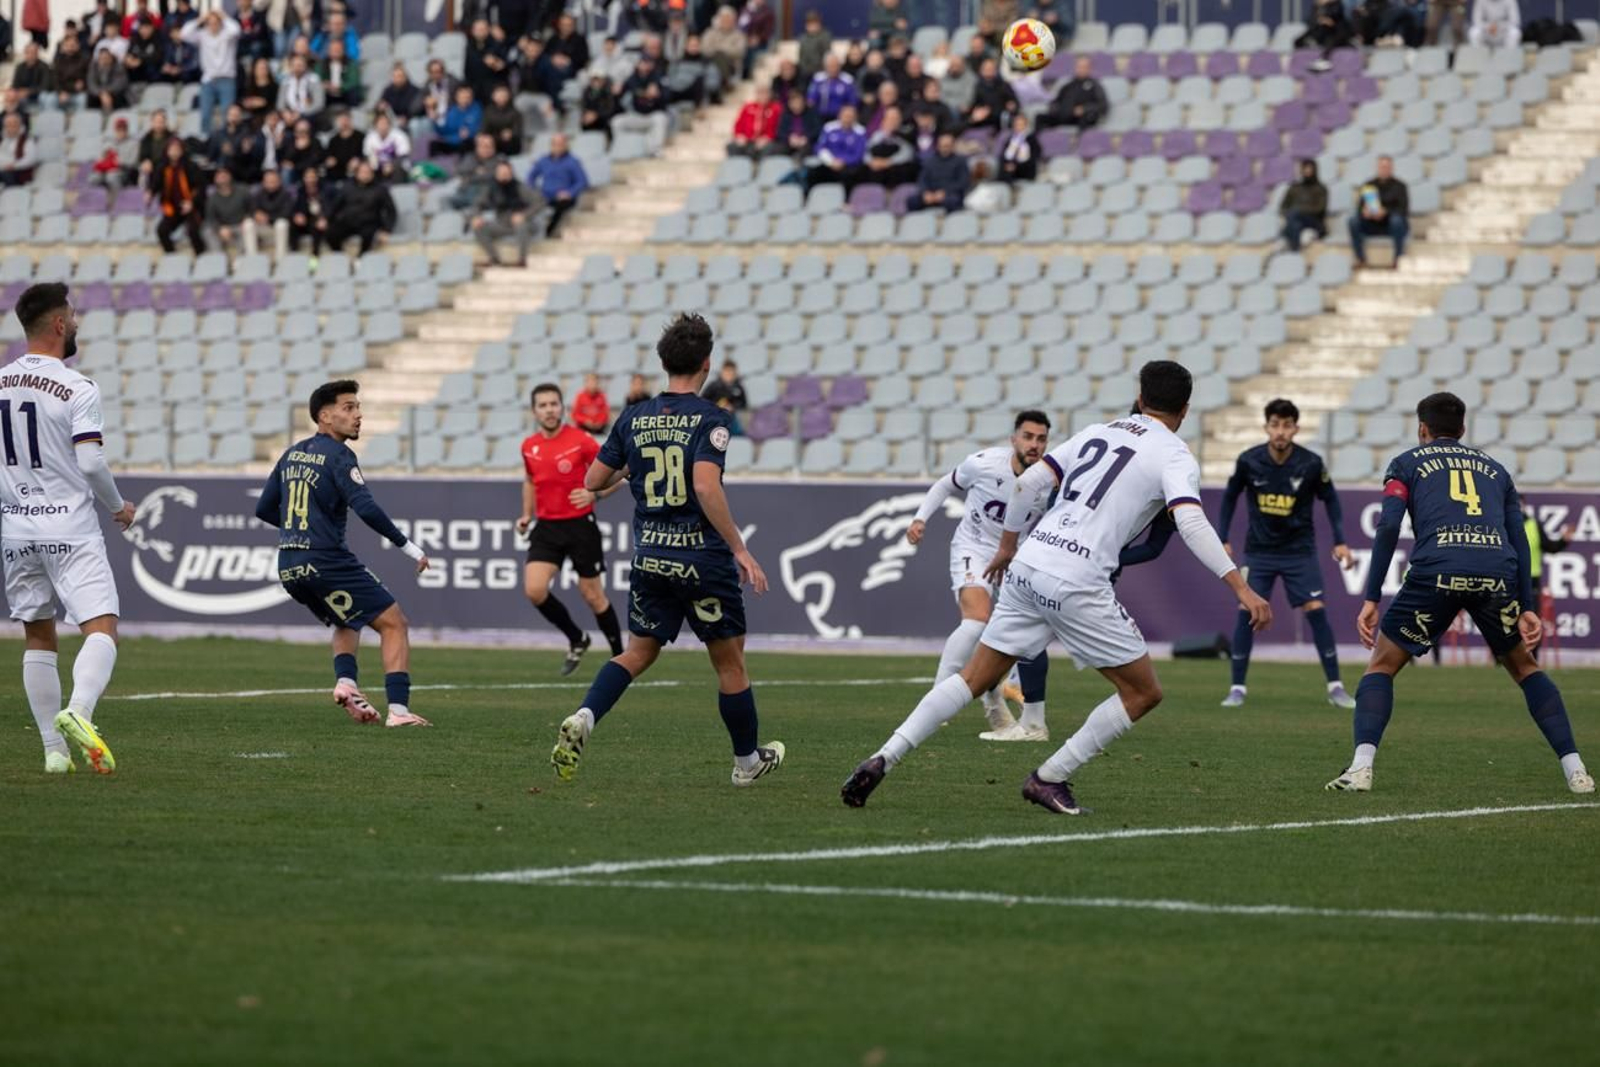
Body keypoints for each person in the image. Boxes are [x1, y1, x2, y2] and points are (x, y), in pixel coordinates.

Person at [843, 362, 1272, 813]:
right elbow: (1190, 521)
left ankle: (884, 756)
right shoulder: (1175, 454)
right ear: (1185, 410)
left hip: (1031, 561)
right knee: (1143, 693)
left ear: (1140, 399)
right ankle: (1049, 777)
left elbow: (1028, 482)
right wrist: (1240, 588)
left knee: (973, 677)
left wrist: (1007, 546)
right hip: (1079, 578)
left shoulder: (1096, 432)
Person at [549, 313, 785, 787]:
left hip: (650, 556)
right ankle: (746, 763)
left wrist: (630, 466)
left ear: (662, 363)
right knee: (729, 661)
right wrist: (739, 548)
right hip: (702, 558)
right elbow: (705, 485)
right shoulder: (712, 418)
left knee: (638, 652)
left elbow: (592, 480)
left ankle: (585, 715)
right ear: (706, 363)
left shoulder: (633, 417)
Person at [1327, 391, 1593, 796]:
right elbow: (1519, 538)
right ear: (1463, 429)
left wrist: (1371, 597)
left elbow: (1389, 526)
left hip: (1438, 570)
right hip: (1495, 575)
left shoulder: (1406, 464)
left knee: (1381, 666)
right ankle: (1577, 772)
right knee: (1526, 669)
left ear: (1422, 428)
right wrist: (1525, 605)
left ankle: (1361, 768)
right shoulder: (1497, 470)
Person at [3, 283, 137, 775]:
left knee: (38, 635)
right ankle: (79, 712)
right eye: (73, 315)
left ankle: (54, 753)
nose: (77, 322)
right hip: (70, 528)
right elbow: (91, 461)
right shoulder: (77, 386)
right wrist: (118, 506)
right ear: (59, 324)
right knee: (102, 627)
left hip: (17, 530)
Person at [255, 380, 432, 729]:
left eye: (358, 407)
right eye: (348, 407)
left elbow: (263, 508)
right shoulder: (340, 456)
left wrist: (301, 528)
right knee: (394, 623)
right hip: (325, 558)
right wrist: (409, 547)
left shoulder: (291, 454)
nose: (358, 415)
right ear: (325, 416)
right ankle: (399, 711)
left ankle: (347, 684)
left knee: (346, 617)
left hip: (289, 564)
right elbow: (365, 507)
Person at [904, 412, 1057, 742]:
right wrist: (920, 519)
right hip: (973, 547)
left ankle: (996, 699)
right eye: (1028, 437)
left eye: (1041, 438)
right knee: (976, 622)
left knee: (1012, 633)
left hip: (1015, 557)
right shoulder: (984, 464)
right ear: (1013, 439)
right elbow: (946, 484)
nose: (1034, 444)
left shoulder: (1050, 481)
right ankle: (935, 702)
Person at [1216, 398, 1355, 709]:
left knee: (1316, 609)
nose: (1280, 431)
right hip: (1259, 551)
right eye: (1275, 425)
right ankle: (1237, 688)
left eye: (1287, 425)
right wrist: (1222, 537)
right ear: (1266, 427)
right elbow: (1229, 497)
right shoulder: (1248, 460)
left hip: (1299, 551)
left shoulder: (1311, 463)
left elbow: (1331, 499)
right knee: (1246, 609)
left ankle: (1336, 687)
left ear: (1296, 429)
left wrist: (1340, 541)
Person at [515, 382, 628, 671]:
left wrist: (595, 494)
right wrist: (526, 515)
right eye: (543, 405)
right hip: (547, 527)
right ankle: (577, 638)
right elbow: (530, 480)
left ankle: (621, 658)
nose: (549, 410)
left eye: (554, 404)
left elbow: (618, 472)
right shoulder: (529, 446)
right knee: (534, 590)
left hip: (580, 526)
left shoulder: (581, 440)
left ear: (562, 407)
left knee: (593, 595)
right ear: (534, 411)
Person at [470, 159, 541, 266]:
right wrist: (476, 217)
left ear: (511, 173)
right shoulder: (492, 188)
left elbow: (539, 202)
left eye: (506, 173)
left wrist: (524, 215)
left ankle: (522, 260)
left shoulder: (520, 187)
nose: (503, 176)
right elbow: (478, 204)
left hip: (523, 223)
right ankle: (495, 258)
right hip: (503, 224)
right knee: (478, 228)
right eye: (501, 173)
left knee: (521, 226)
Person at [181, 8, 239, 136]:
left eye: (216, 23)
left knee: (227, 115)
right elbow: (184, 33)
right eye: (210, 23)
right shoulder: (202, 35)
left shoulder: (227, 34)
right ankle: (206, 141)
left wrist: (223, 16)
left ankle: (226, 141)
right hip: (208, 80)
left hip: (226, 79)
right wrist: (200, 19)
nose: (213, 26)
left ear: (220, 23)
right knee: (205, 115)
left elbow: (236, 29)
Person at [1349, 155, 1409, 268]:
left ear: (1391, 168)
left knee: (1397, 221)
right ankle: (1360, 258)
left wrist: (1385, 212)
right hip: (1372, 223)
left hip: (1391, 225)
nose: (1384, 169)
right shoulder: (1368, 185)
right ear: (1377, 168)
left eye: (1387, 167)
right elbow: (1360, 207)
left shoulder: (1400, 186)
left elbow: (1403, 210)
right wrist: (1365, 212)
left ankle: (1398, 259)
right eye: (1382, 167)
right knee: (1353, 221)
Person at [326, 160, 396, 255]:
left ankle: (361, 258)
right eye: (362, 172)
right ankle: (341, 256)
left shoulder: (380, 189)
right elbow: (336, 206)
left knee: (368, 235)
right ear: (357, 173)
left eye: (368, 172)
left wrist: (386, 230)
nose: (365, 175)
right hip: (348, 221)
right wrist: (327, 219)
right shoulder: (347, 187)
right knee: (331, 233)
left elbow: (391, 211)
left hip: (369, 223)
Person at [526, 132, 588, 236]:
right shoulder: (543, 160)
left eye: (560, 144)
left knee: (560, 206)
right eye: (554, 143)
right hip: (545, 196)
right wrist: (534, 190)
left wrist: (569, 193)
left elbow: (582, 181)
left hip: (563, 198)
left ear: (566, 145)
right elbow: (531, 177)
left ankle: (549, 232)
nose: (557, 146)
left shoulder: (572, 162)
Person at [155, 137, 205, 253]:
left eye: (177, 149)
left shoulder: (191, 166)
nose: (174, 152)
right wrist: (150, 192)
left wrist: (192, 203)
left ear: (182, 151)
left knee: (193, 231)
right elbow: (156, 184)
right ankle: (171, 255)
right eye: (171, 149)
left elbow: (200, 187)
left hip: (191, 207)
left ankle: (201, 255)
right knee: (162, 230)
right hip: (172, 208)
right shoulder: (162, 167)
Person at [806, 102, 866, 193]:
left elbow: (859, 154)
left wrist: (843, 161)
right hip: (830, 163)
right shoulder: (829, 128)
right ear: (839, 115)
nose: (847, 119)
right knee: (813, 173)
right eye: (845, 116)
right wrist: (830, 161)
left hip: (848, 166)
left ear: (855, 118)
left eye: (850, 116)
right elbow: (819, 147)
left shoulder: (860, 131)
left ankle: (847, 199)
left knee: (852, 175)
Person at [908, 130, 969, 212]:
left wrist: (944, 192)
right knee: (912, 201)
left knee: (952, 201)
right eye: (942, 146)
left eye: (947, 146)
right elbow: (922, 179)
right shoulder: (930, 161)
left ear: (953, 146)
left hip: (950, 194)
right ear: (937, 146)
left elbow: (963, 182)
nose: (945, 149)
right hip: (931, 195)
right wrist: (926, 192)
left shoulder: (960, 161)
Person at [1040, 54, 1106, 130]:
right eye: (1079, 67)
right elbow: (1056, 102)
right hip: (1066, 116)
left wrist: (1084, 109)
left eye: (1084, 67)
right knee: (1040, 118)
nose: (1081, 69)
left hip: (1083, 119)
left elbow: (1102, 106)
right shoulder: (1068, 85)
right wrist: (1057, 109)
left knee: (1086, 119)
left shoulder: (1095, 86)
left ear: (1089, 68)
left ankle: (1081, 137)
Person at [1279, 159, 1328, 252]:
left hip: (1314, 221)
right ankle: (1295, 251)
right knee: (1295, 224)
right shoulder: (1294, 187)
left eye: (1310, 169)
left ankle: (1285, 235)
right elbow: (1283, 207)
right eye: (1305, 169)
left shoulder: (1321, 188)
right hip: (1295, 219)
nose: (1307, 171)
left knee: (1295, 213)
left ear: (1314, 170)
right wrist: (1290, 213)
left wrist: (1300, 210)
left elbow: (1320, 209)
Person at [245, 166, 293, 257]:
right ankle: (252, 256)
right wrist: (256, 214)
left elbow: (286, 213)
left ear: (279, 182)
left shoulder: (286, 194)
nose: (270, 185)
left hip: (276, 226)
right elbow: (252, 209)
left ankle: (280, 257)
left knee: (282, 224)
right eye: (268, 182)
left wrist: (268, 218)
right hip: (262, 226)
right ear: (263, 182)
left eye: (273, 182)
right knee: (248, 223)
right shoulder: (258, 193)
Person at [203, 166, 251, 250]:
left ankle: (244, 255)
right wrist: (220, 228)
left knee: (249, 226)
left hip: (240, 225)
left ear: (230, 176)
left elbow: (251, 208)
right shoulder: (212, 198)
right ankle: (218, 256)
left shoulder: (242, 191)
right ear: (215, 179)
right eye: (219, 176)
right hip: (224, 227)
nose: (222, 178)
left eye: (224, 175)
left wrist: (246, 219)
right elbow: (210, 218)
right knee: (207, 231)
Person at [727, 83, 780, 157]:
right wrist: (740, 135)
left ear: (770, 94)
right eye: (760, 93)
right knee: (732, 146)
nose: (763, 96)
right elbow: (738, 124)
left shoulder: (775, 109)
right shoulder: (748, 107)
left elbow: (777, 128)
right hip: (748, 139)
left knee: (769, 148)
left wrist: (767, 138)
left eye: (765, 93)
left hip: (764, 141)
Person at [431, 83, 482, 158]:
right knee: (433, 144)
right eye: (462, 96)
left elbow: (476, 127)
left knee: (466, 143)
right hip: (452, 141)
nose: (465, 99)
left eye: (467, 97)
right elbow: (443, 131)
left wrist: (469, 132)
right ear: (456, 97)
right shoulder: (451, 110)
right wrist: (436, 121)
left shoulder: (476, 109)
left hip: (466, 142)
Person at [276, 51, 325, 129]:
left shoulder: (314, 79)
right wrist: (286, 113)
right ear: (290, 66)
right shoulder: (285, 81)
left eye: (300, 65)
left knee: (302, 125)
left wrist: (301, 113)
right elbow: (280, 104)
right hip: (290, 115)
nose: (297, 68)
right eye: (294, 65)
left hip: (309, 115)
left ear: (306, 66)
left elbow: (319, 104)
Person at [289, 165, 331, 254]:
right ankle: (294, 253)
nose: (310, 180)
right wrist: (297, 215)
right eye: (308, 177)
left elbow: (329, 207)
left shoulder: (325, 190)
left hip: (318, 219)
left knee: (317, 227)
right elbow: (293, 207)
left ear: (317, 178)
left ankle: (315, 256)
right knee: (293, 225)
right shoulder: (299, 191)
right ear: (304, 178)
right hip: (304, 219)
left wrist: (325, 218)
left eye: (312, 177)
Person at [806, 52, 858, 120]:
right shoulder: (818, 79)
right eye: (830, 66)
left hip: (841, 118)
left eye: (835, 66)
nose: (833, 69)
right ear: (825, 66)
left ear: (840, 66)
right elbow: (810, 101)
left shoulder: (848, 80)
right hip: (819, 116)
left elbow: (852, 103)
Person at [363, 110, 412, 181]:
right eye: (380, 123)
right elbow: (367, 155)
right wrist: (375, 164)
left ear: (389, 124)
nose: (383, 126)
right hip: (378, 168)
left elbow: (403, 155)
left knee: (400, 167)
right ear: (375, 125)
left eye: (385, 123)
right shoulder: (370, 137)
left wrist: (391, 164)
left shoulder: (399, 135)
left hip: (397, 167)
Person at [481, 82, 524, 156]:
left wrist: (511, 133)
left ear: (508, 96)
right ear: (493, 96)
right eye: (499, 94)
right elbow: (484, 129)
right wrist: (493, 137)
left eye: (504, 95)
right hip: (493, 140)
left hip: (510, 142)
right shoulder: (488, 111)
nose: (501, 97)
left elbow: (518, 130)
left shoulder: (515, 112)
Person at [996, 111, 1039, 183]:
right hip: (1008, 170)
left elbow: (1032, 159)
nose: (1018, 127)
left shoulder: (1031, 140)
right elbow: (1004, 156)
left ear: (1026, 125)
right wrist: (1007, 165)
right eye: (1016, 125)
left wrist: (1016, 166)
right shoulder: (1010, 139)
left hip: (1024, 170)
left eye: (1021, 125)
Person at [52, 33, 91, 109]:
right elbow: (55, 80)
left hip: (78, 93)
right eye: (67, 45)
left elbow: (85, 80)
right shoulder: (58, 60)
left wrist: (81, 85)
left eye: (72, 45)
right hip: (62, 91)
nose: (70, 48)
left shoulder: (85, 59)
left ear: (78, 46)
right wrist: (61, 92)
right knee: (49, 99)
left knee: (83, 99)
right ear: (63, 46)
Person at [87, 45, 131, 111]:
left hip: (114, 92)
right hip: (100, 93)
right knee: (90, 97)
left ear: (111, 57)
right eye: (102, 58)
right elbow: (91, 83)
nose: (104, 60)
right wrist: (101, 93)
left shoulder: (118, 66)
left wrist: (106, 92)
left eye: (106, 58)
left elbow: (120, 84)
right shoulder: (93, 67)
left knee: (119, 97)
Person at [0, 112, 38, 187]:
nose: (11, 127)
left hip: (17, 173)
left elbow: (31, 159)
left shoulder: (27, 140)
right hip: (2, 169)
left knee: (6, 174)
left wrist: (14, 166)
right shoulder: (2, 140)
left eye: (14, 124)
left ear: (19, 125)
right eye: (8, 125)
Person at [239, 56, 279, 123]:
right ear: (254, 69)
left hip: (268, 117)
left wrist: (264, 103)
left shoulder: (274, 87)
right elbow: (242, 101)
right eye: (260, 68)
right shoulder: (248, 86)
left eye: (264, 68)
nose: (262, 70)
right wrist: (249, 103)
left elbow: (276, 105)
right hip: (250, 117)